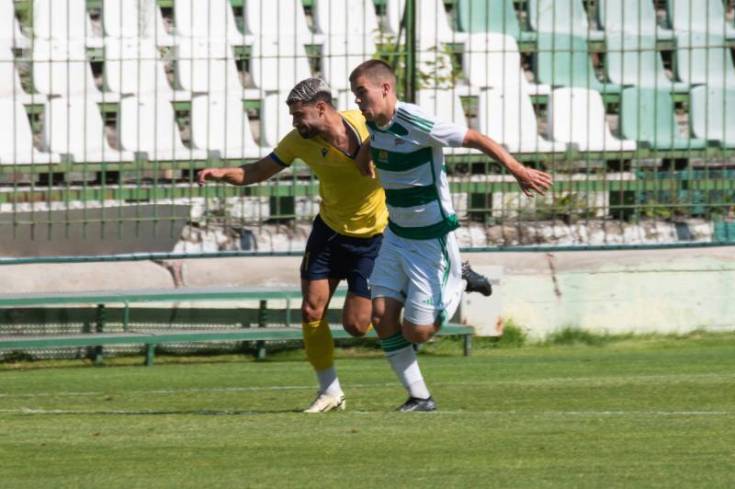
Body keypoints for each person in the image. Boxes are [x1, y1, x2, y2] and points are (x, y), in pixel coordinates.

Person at [348, 60, 553, 412]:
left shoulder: (416, 121)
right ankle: (420, 397)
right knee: (380, 318)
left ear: (385, 88)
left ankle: (460, 277)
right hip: (396, 236)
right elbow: (376, 137)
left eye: (361, 92)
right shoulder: (374, 120)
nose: (357, 100)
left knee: (417, 332)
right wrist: (364, 156)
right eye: (355, 94)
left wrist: (518, 170)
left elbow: (474, 138)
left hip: (431, 239)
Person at [198, 78, 386, 413]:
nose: (296, 122)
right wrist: (222, 173)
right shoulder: (299, 141)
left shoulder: (365, 124)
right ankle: (330, 391)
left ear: (321, 108)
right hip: (329, 233)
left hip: (373, 238)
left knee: (357, 326)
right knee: (311, 310)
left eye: (299, 115)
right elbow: (258, 170)